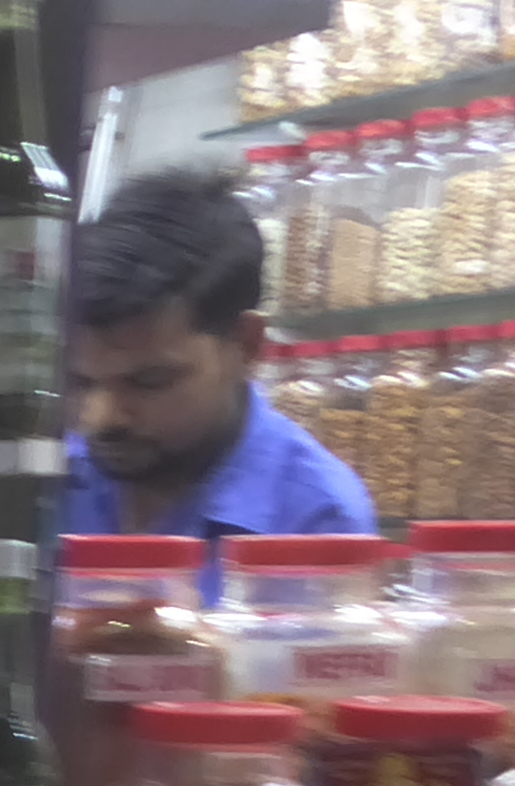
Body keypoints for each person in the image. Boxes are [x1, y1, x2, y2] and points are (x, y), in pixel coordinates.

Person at [65, 163, 374, 586]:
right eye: (80, 382)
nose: (100, 417)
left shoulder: (316, 519)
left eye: (149, 381)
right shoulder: (46, 480)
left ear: (246, 346)